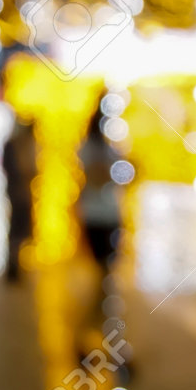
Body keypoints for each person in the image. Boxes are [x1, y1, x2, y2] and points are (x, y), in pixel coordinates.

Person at [77, 100, 122, 349]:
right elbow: (96, 178)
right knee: (101, 274)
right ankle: (89, 327)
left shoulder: (106, 148)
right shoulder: (90, 148)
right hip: (96, 216)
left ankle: (95, 326)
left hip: (108, 214)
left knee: (105, 275)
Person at [1, 114, 37, 283]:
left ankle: (17, 266)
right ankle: (13, 267)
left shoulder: (25, 144)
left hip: (22, 193)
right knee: (17, 229)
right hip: (17, 193)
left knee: (22, 230)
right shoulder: (14, 145)